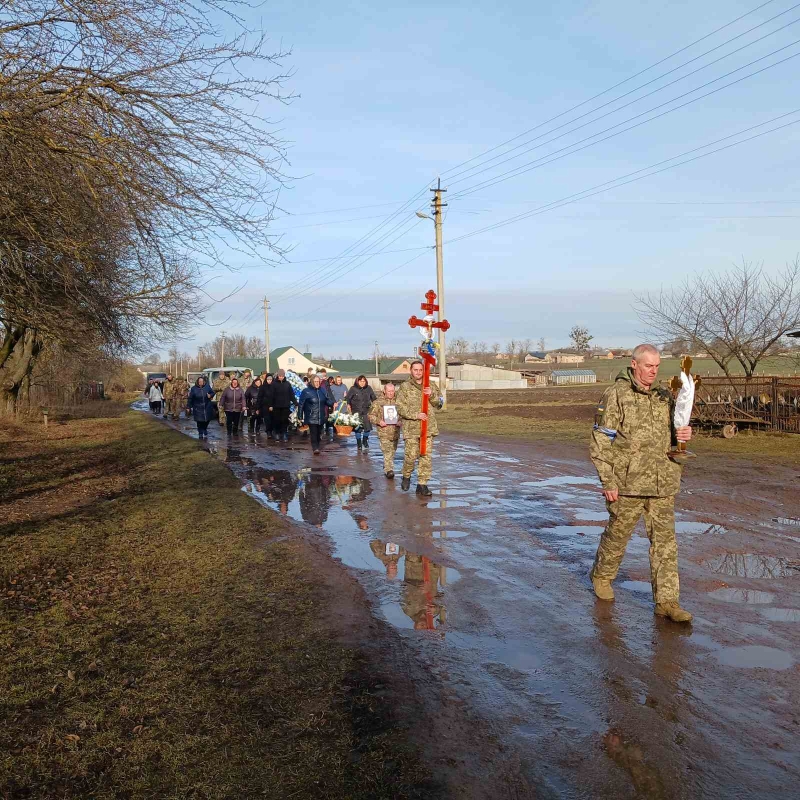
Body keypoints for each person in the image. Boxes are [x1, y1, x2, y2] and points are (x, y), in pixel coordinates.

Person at [589, 343, 693, 623]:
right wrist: (608, 480)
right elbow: (601, 440)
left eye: (657, 367)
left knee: (665, 544)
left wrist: (682, 434)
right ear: (634, 364)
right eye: (649, 366)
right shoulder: (616, 395)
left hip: (662, 482)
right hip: (628, 483)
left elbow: (675, 435)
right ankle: (602, 575)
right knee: (618, 536)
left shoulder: (663, 397)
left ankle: (667, 601)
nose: (653, 372)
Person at [396, 360, 443, 497]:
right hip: (411, 428)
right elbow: (399, 407)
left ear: (424, 371)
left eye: (420, 370)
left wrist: (431, 395)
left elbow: (439, 403)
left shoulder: (430, 385)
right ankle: (406, 475)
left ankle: (422, 484)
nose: (418, 372)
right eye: (415, 370)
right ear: (411, 371)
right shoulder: (405, 387)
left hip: (427, 428)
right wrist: (415, 415)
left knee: (425, 457)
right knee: (411, 456)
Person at [368, 382, 401, 479]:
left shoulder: (398, 402)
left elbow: (403, 414)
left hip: (395, 431)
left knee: (392, 451)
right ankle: (389, 470)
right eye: (389, 391)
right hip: (384, 432)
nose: (391, 393)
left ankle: (387, 465)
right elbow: (370, 416)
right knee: (387, 451)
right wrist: (379, 421)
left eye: (392, 391)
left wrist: (400, 421)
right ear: (384, 391)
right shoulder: (378, 403)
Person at [298, 374, 333, 454]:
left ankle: (317, 443)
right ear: (312, 382)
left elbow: (326, 400)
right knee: (313, 432)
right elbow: (301, 404)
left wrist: (332, 404)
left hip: (321, 415)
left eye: (318, 381)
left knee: (319, 433)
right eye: (315, 381)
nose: (317, 383)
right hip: (311, 416)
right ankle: (315, 448)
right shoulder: (306, 391)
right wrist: (300, 416)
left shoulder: (322, 390)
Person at [345, 375, 376, 449]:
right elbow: (348, 398)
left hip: (366, 411)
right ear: (357, 381)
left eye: (363, 381)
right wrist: (348, 404)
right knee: (358, 429)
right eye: (360, 381)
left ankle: (364, 441)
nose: (362, 383)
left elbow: (374, 398)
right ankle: (359, 443)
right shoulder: (353, 389)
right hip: (356, 412)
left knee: (367, 429)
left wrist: (375, 406)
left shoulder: (368, 388)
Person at [270, 368, 295, 442]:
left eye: (282, 376)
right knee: (277, 420)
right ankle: (277, 433)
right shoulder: (274, 384)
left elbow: (291, 394)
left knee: (284, 420)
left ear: (284, 376)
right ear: (278, 376)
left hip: (285, 405)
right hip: (276, 406)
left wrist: (295, 402)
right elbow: (271, 395)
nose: (281, 377)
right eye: (280, 376)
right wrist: (270, 405)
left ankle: (284, 433)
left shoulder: (287, 384)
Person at [256, 373, 274, 439]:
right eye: (268, 379)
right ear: (266, 379)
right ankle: (268, 432)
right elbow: (259, 397)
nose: (269, 380)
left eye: (271, 379)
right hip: (265, 406)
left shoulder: (274, 386)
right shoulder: (263, 387)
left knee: (273, 420)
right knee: (267, 420)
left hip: (273, 406)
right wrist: (258, 407)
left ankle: (272, 431)